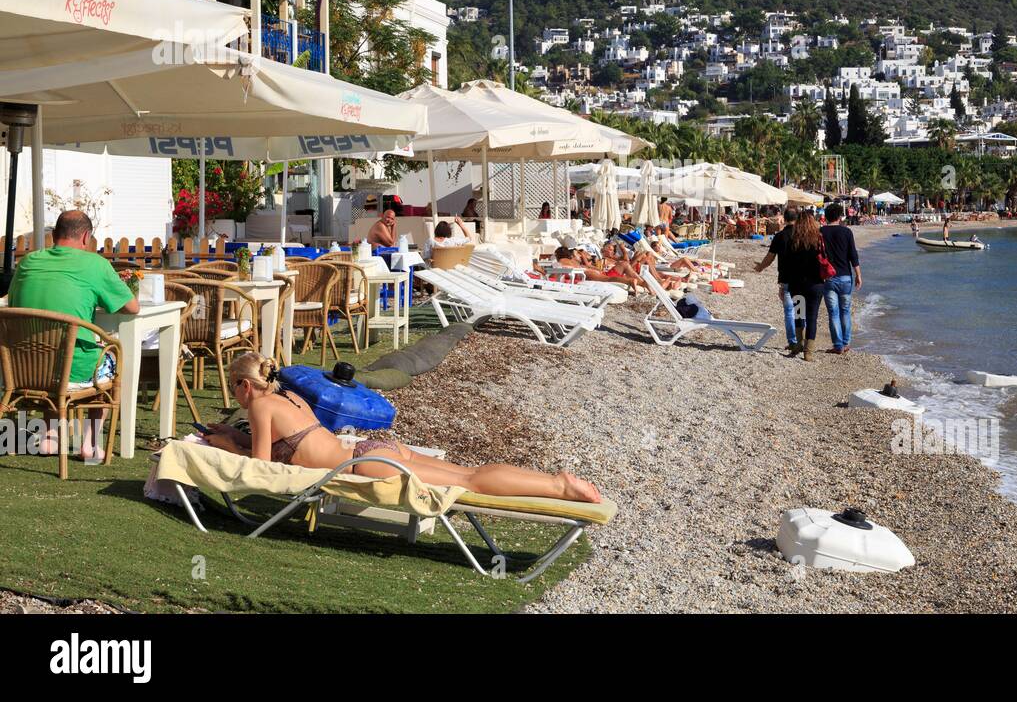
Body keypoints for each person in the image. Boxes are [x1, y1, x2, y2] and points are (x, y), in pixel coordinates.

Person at [205, 355, 601, 502]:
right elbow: (285, 444)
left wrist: (227, 445)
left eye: (232, 385)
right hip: (371, 452)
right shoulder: (288, 397)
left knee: (471, 483)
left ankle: (559, 488)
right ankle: (555, 481)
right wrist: (234, 435)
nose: (234, 394)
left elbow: (262, 469)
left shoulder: (258, 407)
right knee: (469, 474)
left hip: (363, 466)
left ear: (245, 385)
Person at [8, 210, 140, 463]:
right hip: (73, 372)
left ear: (54, 235)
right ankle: (90, 444)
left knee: (50, 343)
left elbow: (14, 303)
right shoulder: (95, 264)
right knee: (109, 358)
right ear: (86, 237)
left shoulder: (27, 262)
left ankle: (49, 438)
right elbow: (133, 308)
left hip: (23, 368)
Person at [783, 210, 828, 362]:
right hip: (815, 284)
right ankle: (808, 352)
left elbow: (786, 263)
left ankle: (798, 344)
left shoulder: (793, 239)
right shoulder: (818, 238)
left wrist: (784, 283)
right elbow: (825, 258)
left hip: (797, 284)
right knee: (812, 317)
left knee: (799, 314)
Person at [754, 208, 800, 354]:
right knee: (800, 311)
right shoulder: (803, 235)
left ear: (784, 219)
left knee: (789, 311)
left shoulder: (780, 236)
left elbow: (770, 256)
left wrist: (761, 267)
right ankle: (801, 341)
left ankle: (793, 342)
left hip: (785, 278)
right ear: (797, 218)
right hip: (802, 279)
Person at [820, 203, 861, 355]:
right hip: (845, 277)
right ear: (839, 217)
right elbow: (853, 255)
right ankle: (846, 343)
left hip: (828, 277)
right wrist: (858, 275)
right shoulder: (846, 232)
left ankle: (838, 345)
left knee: (834, 313)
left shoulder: (821, 232)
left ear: (826, 216)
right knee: (845, 311)